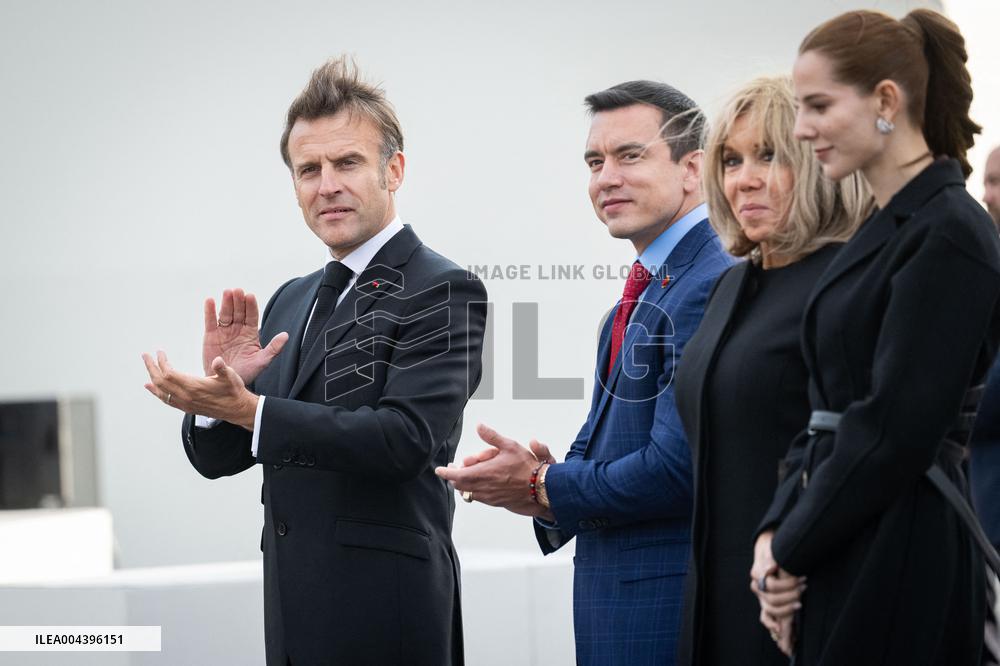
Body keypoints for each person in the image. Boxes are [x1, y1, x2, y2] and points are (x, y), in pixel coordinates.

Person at [141, 58, 487, 666]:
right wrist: (218, 404)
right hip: (292, 611)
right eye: (309, 169)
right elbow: (221, 460)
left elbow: (405, 440)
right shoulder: (289, 298)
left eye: (347, 162)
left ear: (394, 170)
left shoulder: (443, 288)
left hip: (388, 613)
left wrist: (257, 410)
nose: (326, 184)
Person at [436, 80, 733, 665]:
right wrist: (541, 490)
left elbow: (678, 469)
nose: (606, 179)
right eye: (595, 162)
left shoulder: (710, 282)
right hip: (623, 610)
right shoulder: (636, 300)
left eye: (630, 156)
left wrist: (543, 484)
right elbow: (621, 449)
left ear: (693, 168)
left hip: (671, 612)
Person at [749, 9, 1000, 664]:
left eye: (818, 106)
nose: (801, 130)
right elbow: (825, 409)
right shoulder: (886, 227)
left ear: (886, 100)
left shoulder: (950, 231)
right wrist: (776, 530)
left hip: (903, 541)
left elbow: (894, 426)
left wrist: (789, 548)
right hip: (850, 531)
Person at [673, 76, 868, 665]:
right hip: (713, 588)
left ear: (818, 162)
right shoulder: (732, 285)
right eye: (731, 160)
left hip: (801, 586)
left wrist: (789, 546)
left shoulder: (847, 284)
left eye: (769, 156)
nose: (744, 179)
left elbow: (856, 445)